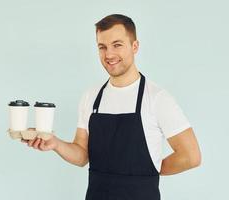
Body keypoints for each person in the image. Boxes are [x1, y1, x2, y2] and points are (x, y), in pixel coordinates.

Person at [22, 14, 201, 200]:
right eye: (102, 47)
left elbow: (191, 156)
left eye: (117, 45)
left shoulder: (157, 98)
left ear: (135, 46)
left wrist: (151, 170)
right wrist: (55, 143)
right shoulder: (91, 97)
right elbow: (82, 155)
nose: (109, 54)